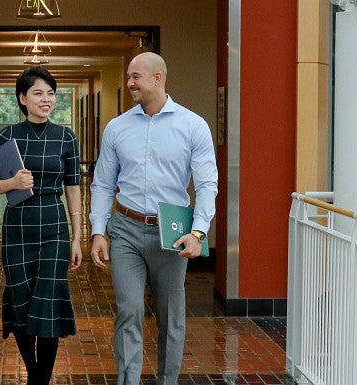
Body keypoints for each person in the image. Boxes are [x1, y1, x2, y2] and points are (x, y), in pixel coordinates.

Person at [88, 52, 217, 385]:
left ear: (157, 78)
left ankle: (167, 380)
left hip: (171, 232)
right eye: (129, 76)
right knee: (128, 310)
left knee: (171, 317)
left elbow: (206, 185)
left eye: (136, 77)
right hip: (126, 231)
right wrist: (98, 232)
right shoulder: (117, 127)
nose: (130, 83)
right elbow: (102, 183)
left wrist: (199, 232)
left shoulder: (193, 126)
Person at [0, 66, 83, 385]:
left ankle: (41, 378)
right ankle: (33, 372)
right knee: (21, 300)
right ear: (22, 98)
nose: (47, 99)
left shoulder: (66, 136)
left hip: (55, 224)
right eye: (38, 93)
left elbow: (73, 187)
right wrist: (12, 181)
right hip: (18, 225)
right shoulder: (7, 135)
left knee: (48, 301)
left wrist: (78, 236)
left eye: (51, 93)